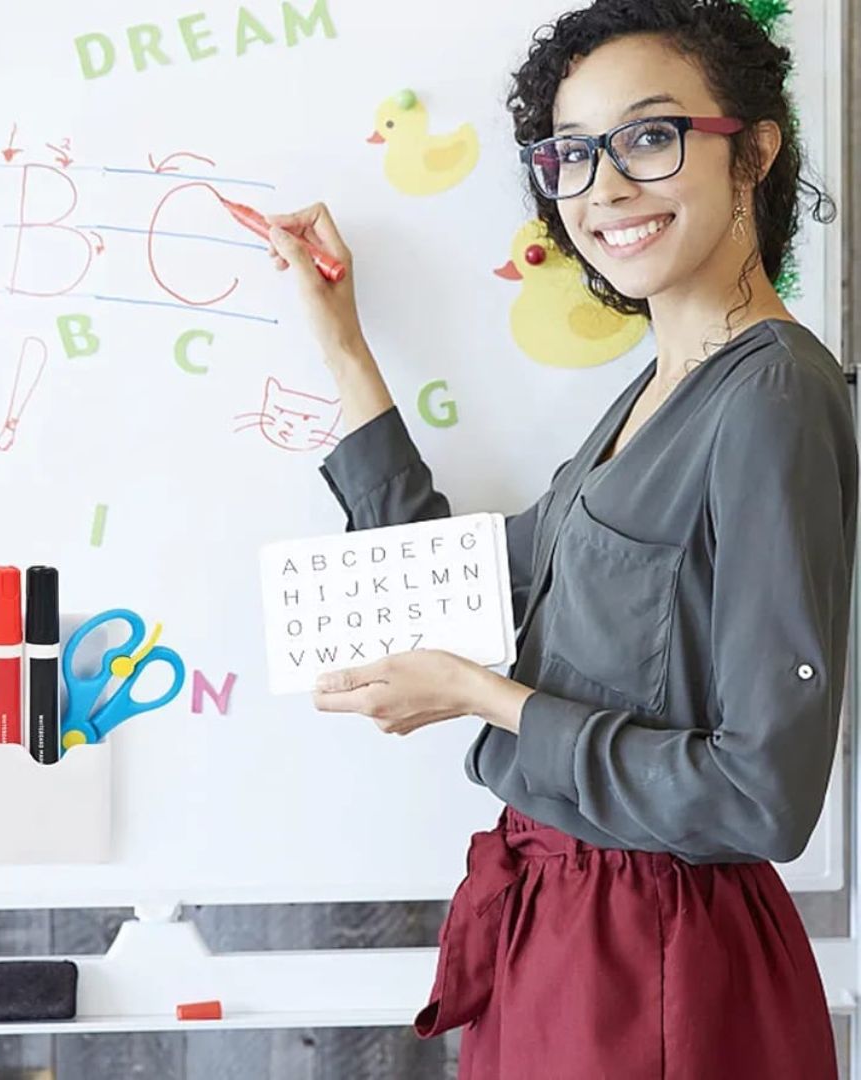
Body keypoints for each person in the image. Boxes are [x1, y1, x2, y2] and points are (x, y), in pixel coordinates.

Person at [266, 0, 858, 1076]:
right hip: (568, 935)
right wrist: (345, 346)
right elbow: (450, 581)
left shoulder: (771, 396)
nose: (605, 188)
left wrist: (485, 699)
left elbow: (763, 796)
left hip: (657, 968)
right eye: (572, 154)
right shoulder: (656, 393)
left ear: (755, 153)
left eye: (649, 135)